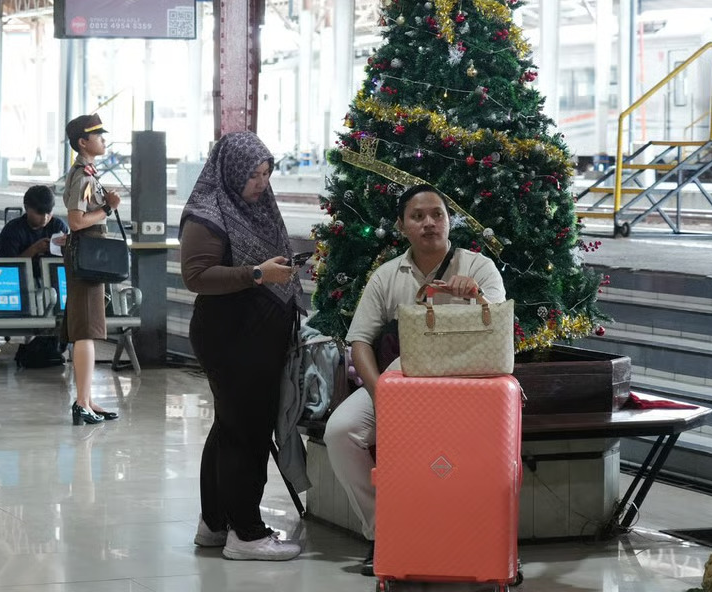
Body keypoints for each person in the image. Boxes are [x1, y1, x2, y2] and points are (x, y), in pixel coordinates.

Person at [323, 184, 506, 576]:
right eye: (417, 216)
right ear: (402, 225)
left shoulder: (479, 267)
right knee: (340, 432)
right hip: (400, 387)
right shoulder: (387, 275)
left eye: (437, 214)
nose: (429, 223)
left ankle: (470, 535)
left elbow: (497, 327)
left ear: (449, 221)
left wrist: (475, 297)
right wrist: (381, 394)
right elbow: (360, 341)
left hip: (466, 391)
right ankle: (384, 530)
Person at [179, 132, 305, 562]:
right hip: (231, 335)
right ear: (231, 171)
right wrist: (257, 274)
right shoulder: (208, 213)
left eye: (266, 173)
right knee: (246, 433)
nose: (260, 182)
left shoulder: (258, 207)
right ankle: (247, 533)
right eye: (253, 174)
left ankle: (216, 523)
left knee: (230, 427)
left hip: (256, 335)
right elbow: (196, 276)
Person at [62, 114, 121, 425]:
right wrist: (108, 208)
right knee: (86, 330)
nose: (103, 139)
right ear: (83, 142)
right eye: (98, 135)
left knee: (89, 329)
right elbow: (76, 221)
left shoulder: (87, 174)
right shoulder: (84, 177)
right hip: (86, 257)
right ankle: (82, 403)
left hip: (88, 256)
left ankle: (86, 398)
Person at [0, 185, 69, 269]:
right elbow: (8, 267)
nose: (45, 218)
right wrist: (35, 249)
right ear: (26, 208)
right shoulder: (12, 230)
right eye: (39, 213)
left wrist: (68, 248)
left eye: (49, 213)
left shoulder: (58, 226)